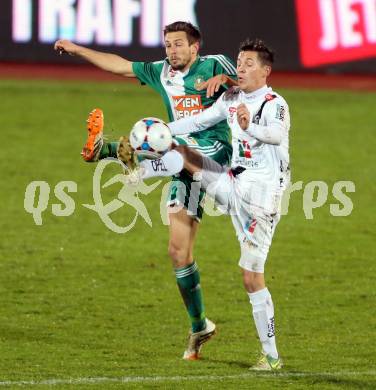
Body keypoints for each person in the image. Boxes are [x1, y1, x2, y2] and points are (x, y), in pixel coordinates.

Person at [54, 21, 237, 360]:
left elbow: (253, 82)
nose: (172, 50)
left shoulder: (215, 63)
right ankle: (200, 326)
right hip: (181, 164)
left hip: (215, 152)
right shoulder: (162, 72)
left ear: (195, 46)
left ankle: (110, 151)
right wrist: (78, 50)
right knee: (177, 252)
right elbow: (121, 65)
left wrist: (228, 80)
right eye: (168, 44)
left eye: (179, 44)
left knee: (164, 139)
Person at [118, 38, 290, 370]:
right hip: (233, 182)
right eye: (239, 62)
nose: (240, 67)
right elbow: (199, 122)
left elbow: (276, 135)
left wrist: (248, 125)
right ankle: (138, 171)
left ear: (266, 71)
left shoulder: (274, 103)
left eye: (249, 63)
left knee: (251, 277)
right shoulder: (231, 98)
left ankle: (271, 356)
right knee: (183, 154)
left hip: (260, 201)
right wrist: (162, 130)